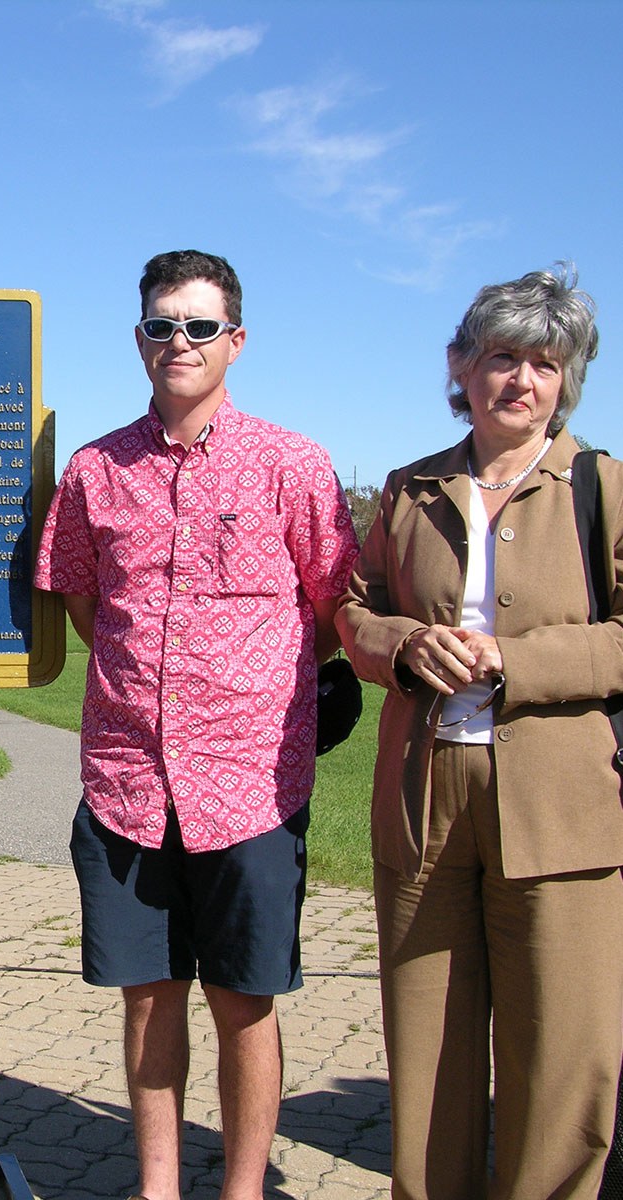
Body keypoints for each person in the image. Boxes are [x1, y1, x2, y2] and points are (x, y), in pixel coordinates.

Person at [35, 250, 358, 1200]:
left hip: (253, 787)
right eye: (161, 325)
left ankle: (244, 1189)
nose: (179, 341)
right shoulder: (95, 471)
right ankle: (160, 1186)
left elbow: (332, 605)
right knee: (148, 999)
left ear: (236, 341)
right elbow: (90, 609)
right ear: (138, 340)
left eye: (199, 325)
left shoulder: (293, 465)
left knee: (245, 1004)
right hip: (129, 782)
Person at [337, 266, 623, 1200]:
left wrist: (518, 662)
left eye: (546, 362)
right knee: (427, 1053)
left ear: (568, 377)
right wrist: (403, 643)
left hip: (561, 807)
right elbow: (352, 609)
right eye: (502, 355)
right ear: (461, 365)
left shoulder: (602, 488)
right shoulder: (411, 488)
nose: (522, 380)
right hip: (425, 802)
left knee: (563, 1055)